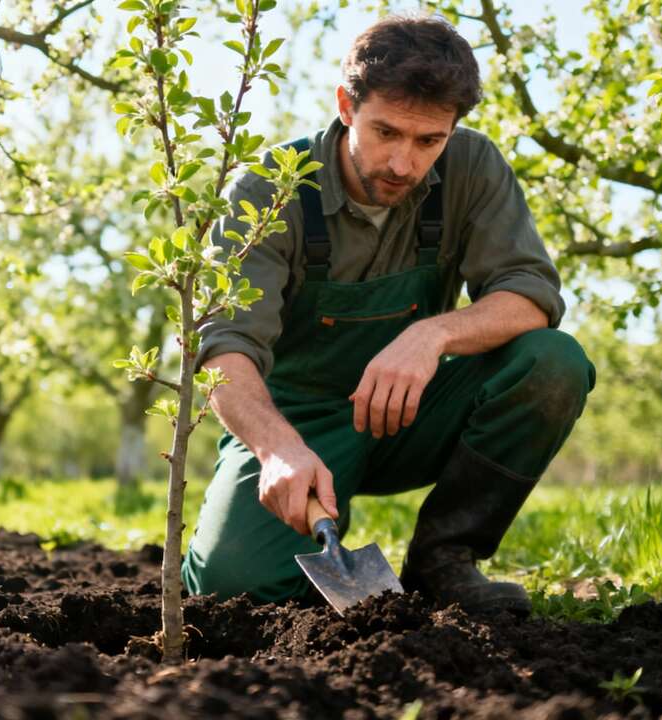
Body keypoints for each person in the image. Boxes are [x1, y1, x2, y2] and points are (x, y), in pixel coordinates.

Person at [180, 14, 596, 615]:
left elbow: (531, 294)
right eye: (387, 133)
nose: (404, 163)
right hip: (296, 424)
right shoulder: (267, 191)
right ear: (347, 105)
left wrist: (433, 335)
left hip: (410, 411)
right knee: (232, 589)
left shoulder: (473, 168)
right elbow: (224, 347)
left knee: (553, 363)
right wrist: (275, 449)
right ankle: (311, 551)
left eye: (429, 141)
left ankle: (443, 560)